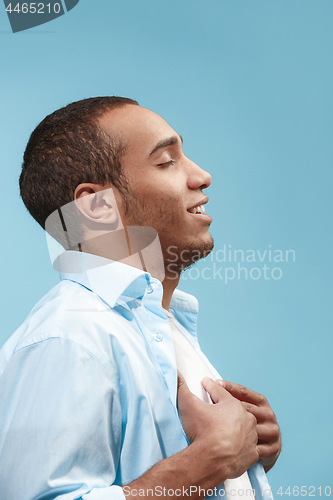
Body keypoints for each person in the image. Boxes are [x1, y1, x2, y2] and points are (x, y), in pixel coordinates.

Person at [0, 97, 281, 500]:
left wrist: (245, 465)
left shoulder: (159, 325)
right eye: (167, 161)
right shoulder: (71, 336)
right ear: (97, 207)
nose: (203, 176)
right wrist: (205, 464)